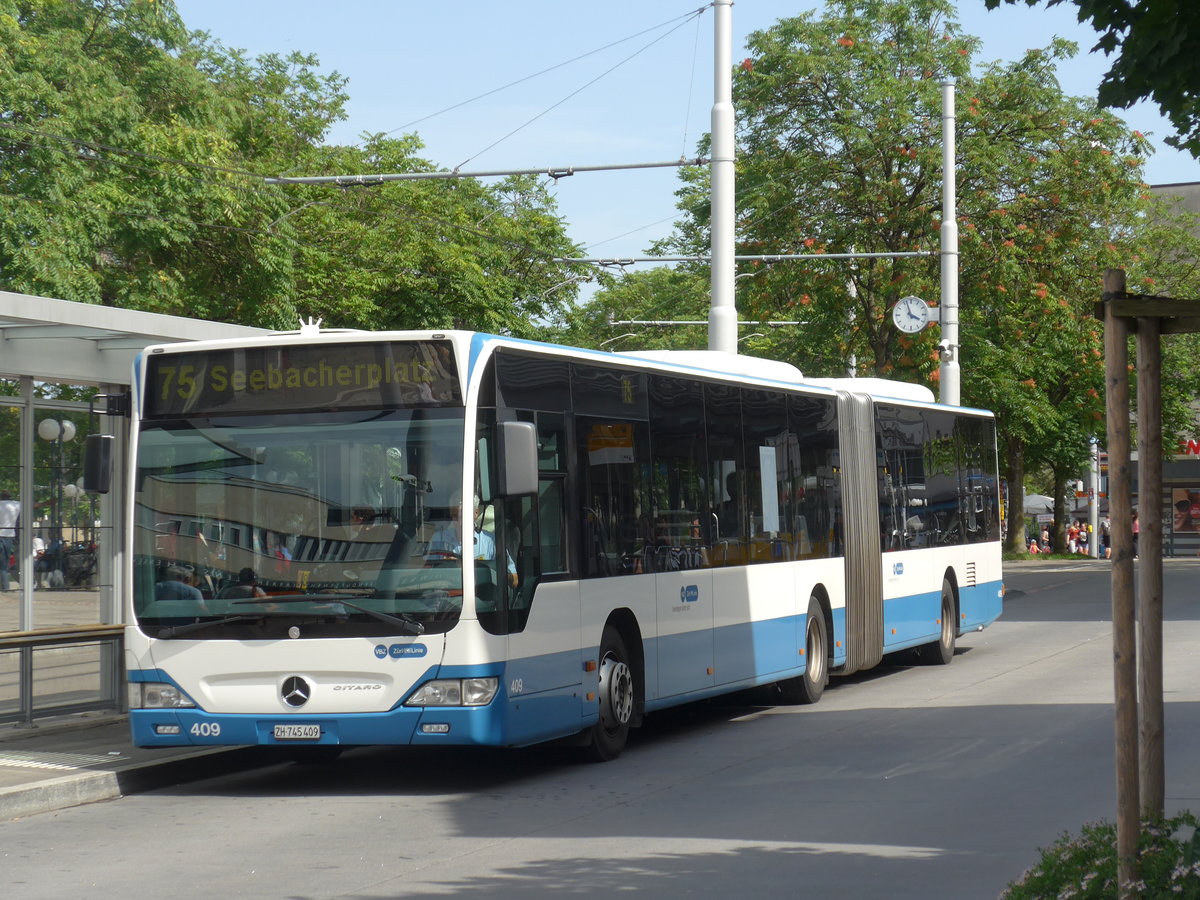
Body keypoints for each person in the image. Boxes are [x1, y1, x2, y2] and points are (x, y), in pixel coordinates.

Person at [429, 494, 517, 584]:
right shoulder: (438, 539)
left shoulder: (491, 541)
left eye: (464, 516)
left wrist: (484, 570)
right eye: (455, 516)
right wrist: (445, 566)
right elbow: (427, 576)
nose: (460, 522)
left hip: (481, 595)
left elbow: (514, 580)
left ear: (476, 513)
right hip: (447, 594)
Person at [0, 490, 19, 591]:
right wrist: (49, 502)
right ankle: (5, 587)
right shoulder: (16, 505)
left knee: (2, 564)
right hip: (9, 535)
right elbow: (34, 505)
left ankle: (5, 587)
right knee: (4, 563)